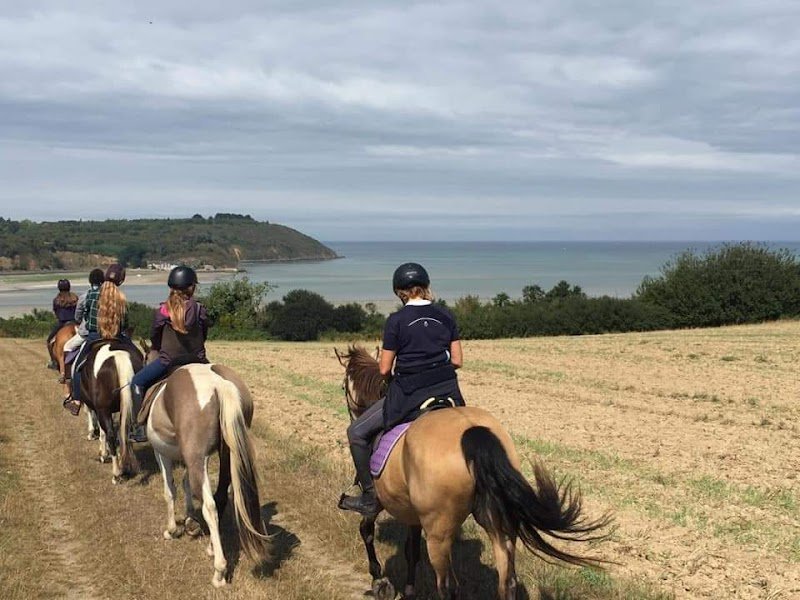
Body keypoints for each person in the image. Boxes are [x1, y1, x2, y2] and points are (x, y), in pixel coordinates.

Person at [338, 262, 464, 517]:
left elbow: (384, 369)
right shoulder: (446, 315)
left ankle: (369, 496)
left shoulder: (396, 320)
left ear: (399, 292)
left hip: (409, 394)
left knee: (357, 432)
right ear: (426, 287)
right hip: (449, 393)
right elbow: (457, 360)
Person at [129, 266, 208, 439]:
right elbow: (203, 336)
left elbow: (155, 337)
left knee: (136, 382)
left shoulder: (162, 311)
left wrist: (158, 348)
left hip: (168, 361)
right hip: (198, 360)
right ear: (192, 287)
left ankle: (139, 427)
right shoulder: (200, 309)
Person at [63, 264, 128, 416]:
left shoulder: (92, 295)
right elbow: (125, 322)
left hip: (94, 337)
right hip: (117, 337)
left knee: (77, 367)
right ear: (121, 280)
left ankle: (77, 400)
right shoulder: (121, 296)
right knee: (139, 358)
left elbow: (91, 322)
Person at [46, 279, 78, 369]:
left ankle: (53, 361)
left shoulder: (57, 300)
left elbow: (56, 312)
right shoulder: (75, 298)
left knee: (49, 341)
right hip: (75, 322)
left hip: (62, 323)